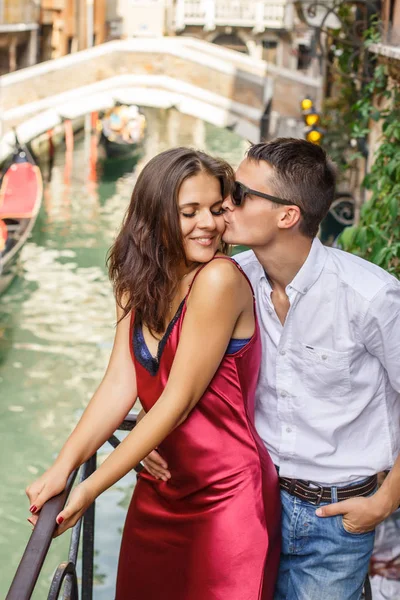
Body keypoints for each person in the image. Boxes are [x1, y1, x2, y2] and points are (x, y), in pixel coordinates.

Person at [142, 138, 400, 600]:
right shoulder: (233, 281)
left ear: (287, 215)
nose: (224, 202)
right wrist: (150, 426)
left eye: (239, 193)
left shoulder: (371, 297)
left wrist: (384, 502)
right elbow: (194, 379)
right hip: (249, 502)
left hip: (336, 520)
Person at [25, 147, 281, 599]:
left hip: (226, 500)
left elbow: (176, 403)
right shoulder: (136, 280)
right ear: (157, 215)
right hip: (159, 489)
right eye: (189, 212)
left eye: (217, 210)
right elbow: (119, 385)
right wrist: (62, 469)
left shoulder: (219, 280)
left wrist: (91, 490)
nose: (209, 224)